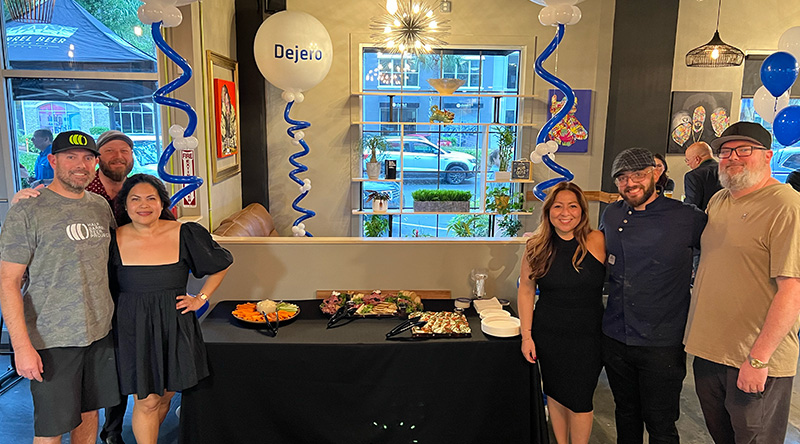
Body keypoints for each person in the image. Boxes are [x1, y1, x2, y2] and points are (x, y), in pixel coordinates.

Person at [12, 130, 136, 444]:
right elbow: (8, 282)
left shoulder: (99, 206)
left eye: (87, 158)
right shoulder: (28, 210)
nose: (80, 164)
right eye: (70, 157)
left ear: (95, 164)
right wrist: (22, 346)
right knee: (52, 429)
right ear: (52, 160)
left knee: (88, 415)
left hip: (98, 333)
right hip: (52, 338)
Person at [684, 122, 800, 443]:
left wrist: (759, 359)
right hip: (710, 353)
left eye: (744, 149)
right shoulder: (719, 201)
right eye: (725, 151)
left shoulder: (786, 206)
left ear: (767, 156)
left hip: (753, 358)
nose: (732, 157)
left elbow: (793, 291)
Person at [111, 174, 232, 444]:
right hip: (134, 327)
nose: (144, 205)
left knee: (165, 395)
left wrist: (200, 297)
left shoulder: (184, 232)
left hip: (174, 324)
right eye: (135, 199)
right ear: (126, 205)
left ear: (161, 202)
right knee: (147, 400)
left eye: (151, 198)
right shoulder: (113, 238)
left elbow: (221, 263)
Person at [601, 147, 707, 444]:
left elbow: (721, 254)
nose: (630, 183)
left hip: (662, 342)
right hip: (616, 335)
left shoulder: (687, 218)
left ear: (655, 174)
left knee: (660, 422)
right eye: (621, 177)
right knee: (625, 413)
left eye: (638, 174)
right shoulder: (611, 214)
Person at [518, 181, 606, 444]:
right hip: (549, 334)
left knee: (580, 402)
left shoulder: (597, 240)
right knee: (555, 394)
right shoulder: (536, 246)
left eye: (572, 206)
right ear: (548, 211)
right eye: (558, 206)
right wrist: (526, 336)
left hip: (589, 338)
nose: (565, 213)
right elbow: (525, 290)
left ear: (582, 211)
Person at [682, 141, 722, 211]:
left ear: (697, 159)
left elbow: (691, 207)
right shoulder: (727, 170)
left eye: (687, 160)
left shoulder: (693, 176)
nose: (688, 164)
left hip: (705, 219)